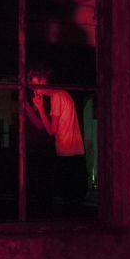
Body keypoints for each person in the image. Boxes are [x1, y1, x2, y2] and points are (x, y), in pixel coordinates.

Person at [28, 68, 87, 211]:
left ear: (44, 81)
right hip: (75, 151)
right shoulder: (63, 94)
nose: (35, 88)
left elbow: (51, 130)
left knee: (69, 198)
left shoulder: (56, 97)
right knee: (73, 198)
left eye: (36, 84)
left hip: (67, 153)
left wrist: (40, 108)